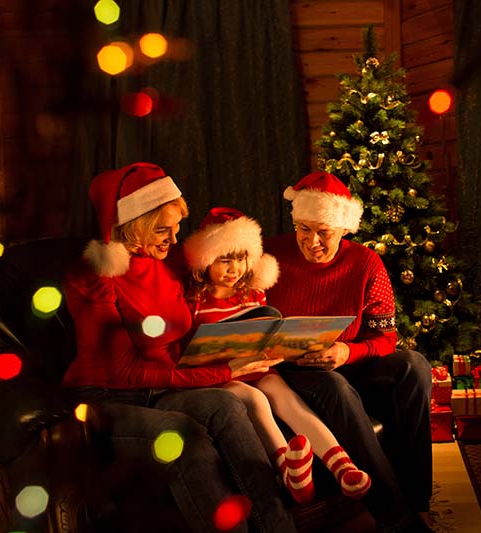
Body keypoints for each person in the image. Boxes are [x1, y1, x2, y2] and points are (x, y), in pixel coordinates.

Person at [62, 162, 295, 533]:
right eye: (161, 230)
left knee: (227, 403)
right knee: (186, 440)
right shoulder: (96, 277)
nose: (173, 240)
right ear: (131, 225)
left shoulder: (166, 266)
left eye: (175, 229)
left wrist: (237, 347)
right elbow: (127, 372)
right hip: (108, 399)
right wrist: (222, 371)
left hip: (161, 388)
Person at [264, 171, 434, 532]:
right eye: (303, 229)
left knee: (413, 365)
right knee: (335, 388)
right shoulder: (270, 255)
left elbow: (385, 338)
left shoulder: (366, 263)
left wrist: (346, 351)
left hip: (345, 358)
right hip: (291, 370)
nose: (312, 242)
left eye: (323, 232)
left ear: (343, 230)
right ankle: (396, 518)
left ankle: (417, 499)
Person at [181, 206, 372, 504]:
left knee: (287, 399)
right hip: (222, 375)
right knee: (256, 400)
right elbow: (187, 347)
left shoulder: (252, 292)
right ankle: (289, 469)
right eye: (224, 259)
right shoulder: (194, 298)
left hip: (258, 366)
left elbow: (264, 330)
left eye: (242, 258)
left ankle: (343, 467)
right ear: (205, 259)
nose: (234, 269)